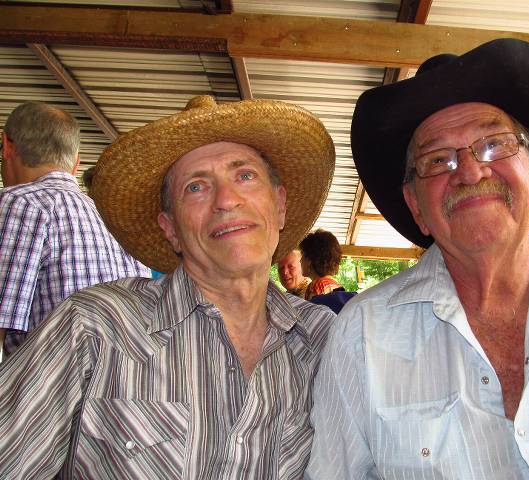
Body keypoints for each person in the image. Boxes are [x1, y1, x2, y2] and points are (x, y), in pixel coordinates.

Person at [306, 38, 529, 479]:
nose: (468, 171)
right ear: (416, 206)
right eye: (437, 159)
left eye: (493, 145)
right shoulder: (362, 335)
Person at [0, 95, 336, 479]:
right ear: (170, 227)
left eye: (244, 175)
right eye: (196, 187)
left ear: (279, 205)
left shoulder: (324, 340)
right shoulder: (94, 326)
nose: (226, 200)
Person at [0, 101, 150, 355]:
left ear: (6, 146)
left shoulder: (20, 203)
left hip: (51, 388)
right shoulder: (114, 218)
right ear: (76, 163)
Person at [299, 229, 343, 300]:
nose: (300, 261)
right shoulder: (336, 285)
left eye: (302, 256)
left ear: (310, 259)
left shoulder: (317, 286)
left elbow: (313, 311)